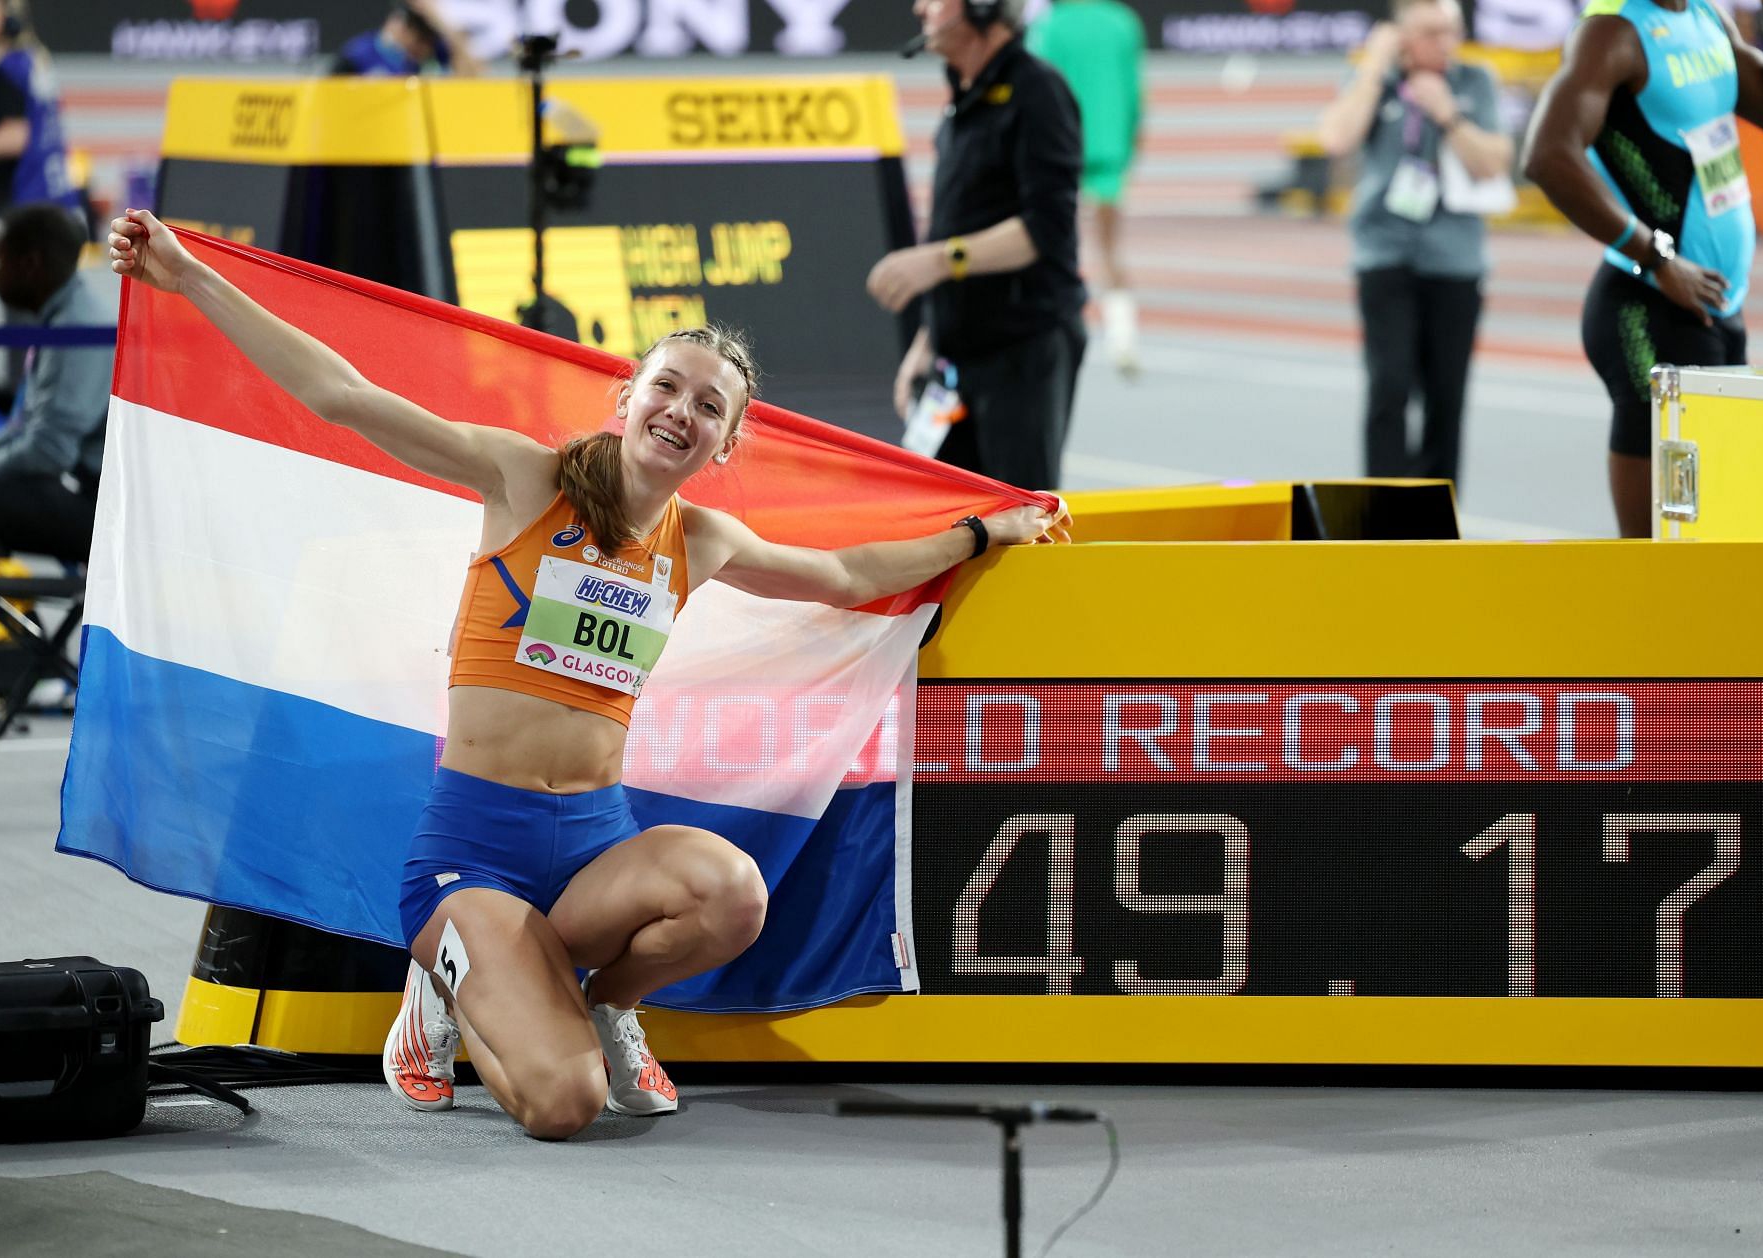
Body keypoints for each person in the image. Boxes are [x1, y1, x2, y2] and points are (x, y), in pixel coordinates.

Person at [108, 207, 1068, 1140]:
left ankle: (607, 1005)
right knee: (564, 1107)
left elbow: (849, 576)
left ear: (727, 444)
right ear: (627, 397)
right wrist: (188, 275)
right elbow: (343, 398)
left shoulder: (704, 539)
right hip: (473, 849)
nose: (681, 413)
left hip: (596, 847)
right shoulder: (526, 479)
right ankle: (446, 978)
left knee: (735, 894)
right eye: (667, 388)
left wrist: (988, 528)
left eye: (709, 407)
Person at [1522, 0, 1763, 536]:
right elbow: (1546, 154)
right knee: (1656, 550)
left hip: (1717, 307)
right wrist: (1657, 257)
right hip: (1648, 310)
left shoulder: (1705, 16)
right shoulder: (1612, 33)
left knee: (1715, 529)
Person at [868, 0, 1087, 491]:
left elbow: (1045, 229)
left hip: (1023, 345)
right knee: (951, 512)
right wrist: (930, 341)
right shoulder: (963, 97)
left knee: (1018, 511)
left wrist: (940, 261)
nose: (919, 7)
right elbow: (955, 225)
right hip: (960, 350)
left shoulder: (1038, 92)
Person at [1317, 0, 1513, 486]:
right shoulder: (1375, 80)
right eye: (1429, 33)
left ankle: (1439, 517)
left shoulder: (1474, 81)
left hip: (1456, 261)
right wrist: (1372, 66)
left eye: (1450, 31)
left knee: (1447, 397)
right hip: (1385, 254)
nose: (1443, 43)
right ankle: (1382, 511)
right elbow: (1337, 139)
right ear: (1401, 35)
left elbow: (1495, 162)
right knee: (1389, 385)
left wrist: (1448, 116)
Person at [0, 204, 110, 565]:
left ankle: (11, 614)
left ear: (30, 265)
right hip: (78, 487)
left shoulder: (78, 329)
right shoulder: (62, 316)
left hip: (98, 509)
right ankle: (10, 613)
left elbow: (50, 450)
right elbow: (24, 428)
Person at [1026, 0, 1147, 377]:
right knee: (1110, 248)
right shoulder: (1122, 23)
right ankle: (1123, 339)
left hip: (1057, 149)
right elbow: (1135, 95)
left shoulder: (1048, 26)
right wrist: (1130, 144)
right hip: (1110, 148)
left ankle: (1049, 335)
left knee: (1044, 243)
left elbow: (1032, 91)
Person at [0, 0, 82, 240]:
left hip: (21, 204)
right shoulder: (33, 59)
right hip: (54, 197)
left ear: (6, 17)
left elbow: (15, 137)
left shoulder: (9, 69)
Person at [328, 1, 482, 78]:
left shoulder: (434, 52)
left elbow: (473, 76)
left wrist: (443, 23)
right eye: (419, 38)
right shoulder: (359, 54)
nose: (423, 47)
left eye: (427, 40)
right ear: (401, 26)